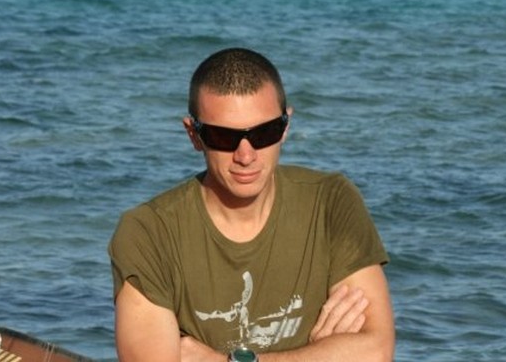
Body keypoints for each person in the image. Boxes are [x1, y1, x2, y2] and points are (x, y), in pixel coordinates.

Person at [108, 47, 395, 361]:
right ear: (194, 135)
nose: (245, 156)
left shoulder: (331, 202)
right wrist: (322, 354)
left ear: (285, 127)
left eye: (264, 133)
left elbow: (376, 351)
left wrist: (228, 360)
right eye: (223, 137)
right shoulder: (148, 233)